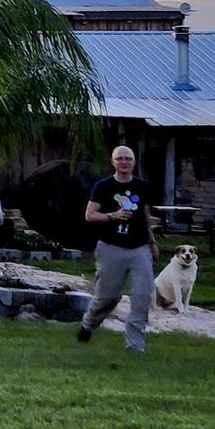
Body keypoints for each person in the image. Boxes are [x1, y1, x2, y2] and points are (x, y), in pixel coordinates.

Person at [79, 144, 160, 355]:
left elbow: (145, 217)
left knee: (142, 295)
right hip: (110, 248)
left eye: (128, 159)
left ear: (134, 162)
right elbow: (89, 215)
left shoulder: (142, 186)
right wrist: (111, 216)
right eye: (120, 159)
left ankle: (135, 346)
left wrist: (152, 243)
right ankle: (88, 324)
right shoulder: (103, 186)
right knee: (108, 297)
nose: (124, 162)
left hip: (139, 248)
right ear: (113, 162)